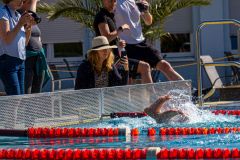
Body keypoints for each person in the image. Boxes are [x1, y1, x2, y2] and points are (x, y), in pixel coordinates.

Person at [115, 0, 184, 81]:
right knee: (130, 79)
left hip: (141, 43)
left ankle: (189, 91)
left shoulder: (135, 1)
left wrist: (146, 11)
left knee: (165, 65)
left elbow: (148, 22)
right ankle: (151, 94)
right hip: (125, 46)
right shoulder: (114, 2)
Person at [93, 0, 153, 84]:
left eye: (114, 1)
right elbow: (106, 38)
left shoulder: (110, 16)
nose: (113, 3)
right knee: (144, 67)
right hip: (111, 58)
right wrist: (121, 28)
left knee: (127, 79)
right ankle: (153, 97)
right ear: (104, 1)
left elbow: (112, 39)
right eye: (110, 1)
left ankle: (131, 97)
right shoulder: (102, 16)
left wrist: (119, 43)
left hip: (117, 55)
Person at [0, 0, 33, 95]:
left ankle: (12, 111)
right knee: (15, 96)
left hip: (20, 61)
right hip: (8, 60)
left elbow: (25, 43)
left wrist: (28, 28)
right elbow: (7, 39)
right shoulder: (2, 12)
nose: (22, 1)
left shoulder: (18, 16)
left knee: (20, 97)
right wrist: (20, 24)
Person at [19, 0, 50, 94]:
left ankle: (36, 109)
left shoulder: (32, 18)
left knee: (37, 90)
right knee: (26, 90)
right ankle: (24, 109)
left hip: (38, 58)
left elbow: (38, 36)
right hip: (27, 59)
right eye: (29, 2)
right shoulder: (19, 16)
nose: (32, 3)